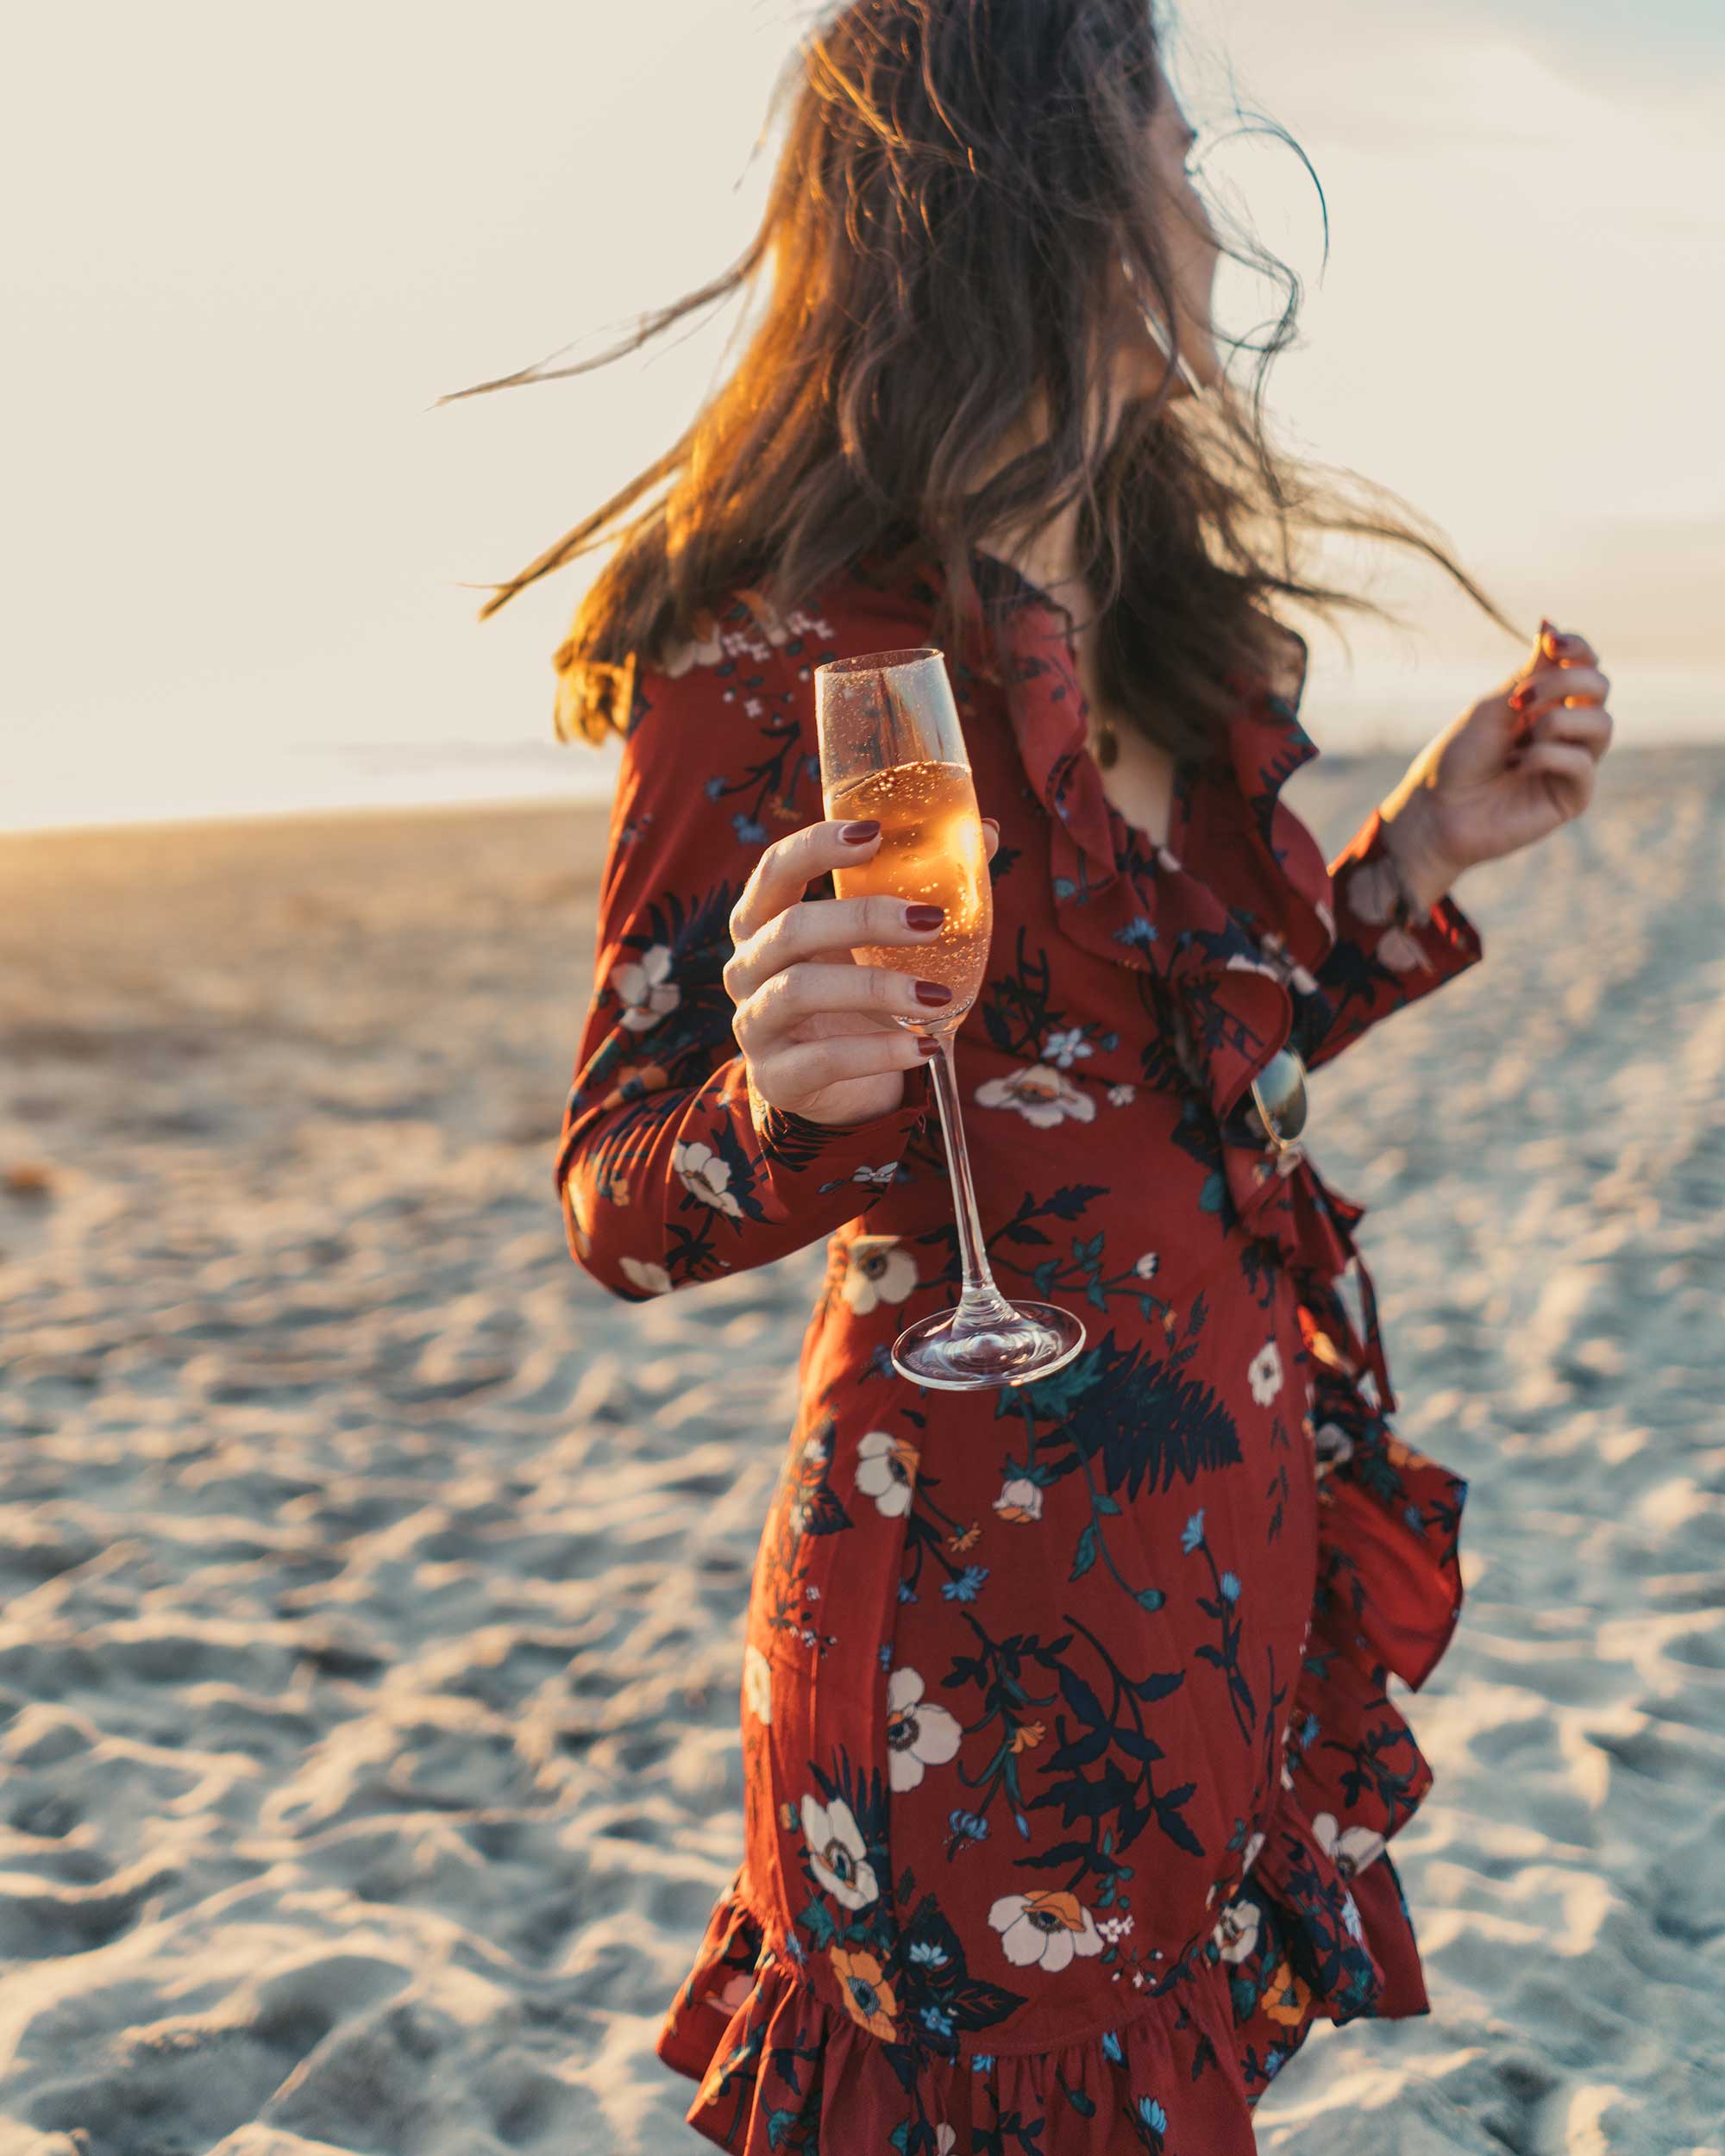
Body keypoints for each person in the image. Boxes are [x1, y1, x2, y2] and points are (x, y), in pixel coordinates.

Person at [456, 4, 1613, 2147]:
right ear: (1051, 180)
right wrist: (780, 1101)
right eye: (1170, 124)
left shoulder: (1178, 624)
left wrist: (1417, 860)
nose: (1206, 181)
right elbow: (616, 1186)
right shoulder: (783, 648)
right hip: (970, 1622)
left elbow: (1191, 1080)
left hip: (1225, 1557)